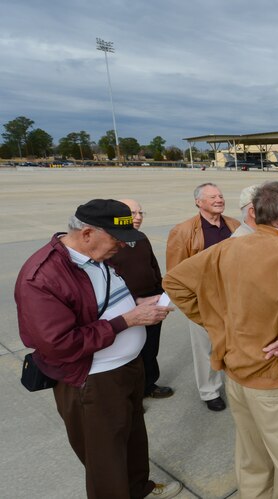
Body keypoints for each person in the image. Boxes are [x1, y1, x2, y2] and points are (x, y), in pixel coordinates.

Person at [164, 181, 278, 498]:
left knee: (253, 463)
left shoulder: (228, 247)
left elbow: (175, 282)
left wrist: (219, 325)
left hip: (238, 377)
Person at [15, 199, 181, 499]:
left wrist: (137, 304)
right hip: (92, 381)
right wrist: (126, 321)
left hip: (126, 369)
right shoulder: (42, 276)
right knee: (105, 460)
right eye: (117, 239)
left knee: (132, 439)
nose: (122, 246)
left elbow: (102, 300)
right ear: (88, 233)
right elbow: (58, 343)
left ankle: (138, 488)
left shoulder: (97, 256)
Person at [166, 182, 240, 411]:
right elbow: (175, 272)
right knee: (205, 348)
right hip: (204, 300)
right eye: (212, 197)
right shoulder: (184, 231)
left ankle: (235, 383)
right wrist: (192, 302)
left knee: (234, 342)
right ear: (199, 202)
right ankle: (209, 391)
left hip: (233, 296)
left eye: (220, 195)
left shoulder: (234, 225)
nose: (219, 200)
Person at [107, 198, 174, 400]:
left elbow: (152, 265)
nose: (137, 217)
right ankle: (131, 395)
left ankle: (148, 384)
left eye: (140, 213)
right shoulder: (111, 241)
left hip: (152, 301)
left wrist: (162, 291)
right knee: (130, 352)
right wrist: (134, 301)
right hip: (127, 307)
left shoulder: (141, 238)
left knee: (150, 348)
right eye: (132, 213)